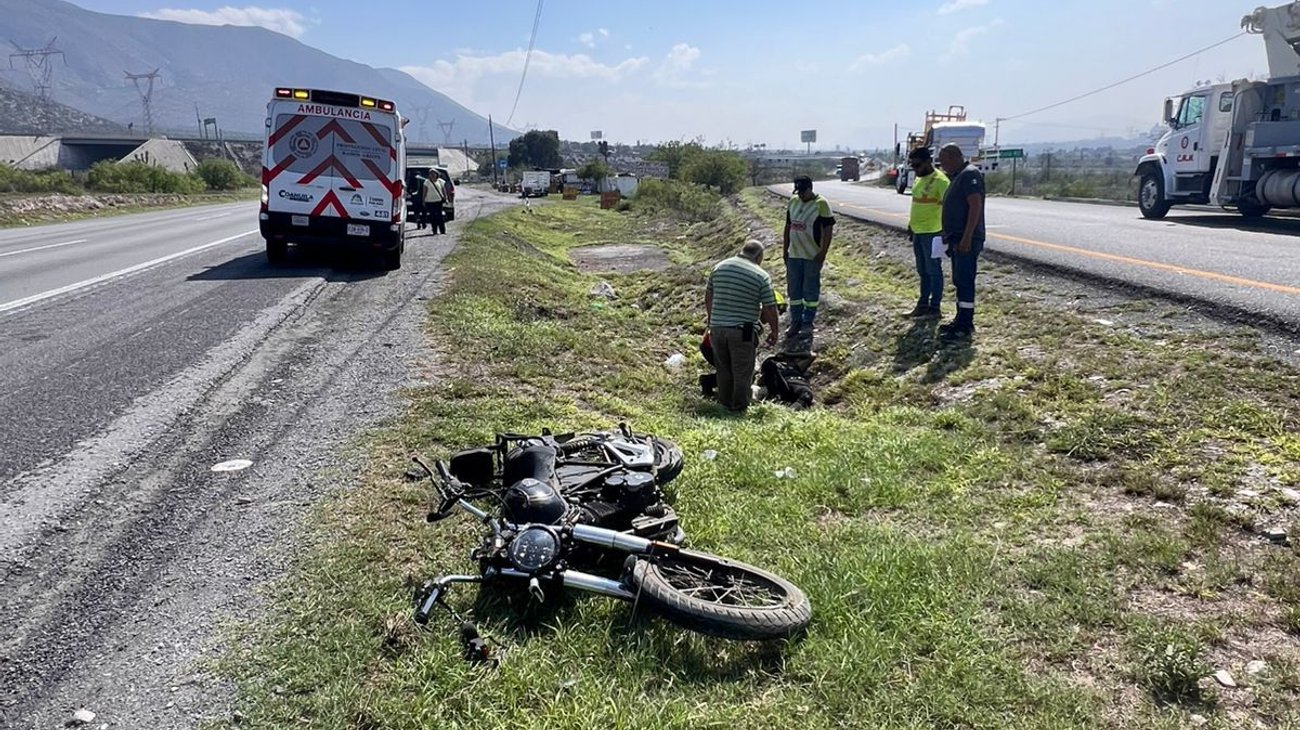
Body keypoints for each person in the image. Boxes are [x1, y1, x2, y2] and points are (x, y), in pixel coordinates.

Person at [705, 240, 780, 413]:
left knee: (723, 369)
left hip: (717, 328)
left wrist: (712, 321)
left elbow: (708, 297)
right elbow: (769, 307)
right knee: (743, 372)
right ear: (759, 256)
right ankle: (739, 408)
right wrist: (775, 331)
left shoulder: (719, 267)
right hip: (744, 329)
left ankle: (724, 405)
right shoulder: (761, 275)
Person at [938, 143, 985, 339]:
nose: (942, 165)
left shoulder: (969, 174)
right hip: (956, 239)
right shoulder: (958, 176)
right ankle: (959, 319)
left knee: (965, 280)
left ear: (954, 157)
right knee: (959, 279)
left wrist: (967, 237)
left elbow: (975, 206)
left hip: (967, 239)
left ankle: (965, 325)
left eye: (943, 161)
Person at [783, 176, 835, 345]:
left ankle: (807, 323)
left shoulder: (821, 204)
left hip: (812, 255)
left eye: (803, 192)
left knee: (810, 290)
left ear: (810, 189)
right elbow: (788, 226)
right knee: (794, 291)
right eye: (798, 192)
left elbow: (828, 230)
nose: (801, 195)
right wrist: (785, 250)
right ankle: (795, 321)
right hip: (794, 255)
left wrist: (823, 252)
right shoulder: (793, 202)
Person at [905, 147, 949, 319]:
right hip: (918, 231)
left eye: (917, 165)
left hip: (933, 232)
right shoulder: (919, 179)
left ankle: (935, 308)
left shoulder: (941, 181)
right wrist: (911, 225)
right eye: (912, 166)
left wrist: (946, 231)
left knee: (933, 270)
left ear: (928, 162)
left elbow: (950, 208)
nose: (915, 169)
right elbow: (917, 204)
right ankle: (922, 304)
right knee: (922, 270)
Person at [423, 170, 447, 235]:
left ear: (436, 174)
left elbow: (444, 191)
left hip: (439, 201)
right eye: (431, 174)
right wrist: (423, 200)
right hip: (430, 201)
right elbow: (424, 192)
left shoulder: (440, 181)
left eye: (434, 174)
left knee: (440, 216)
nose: (432, 175)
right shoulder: (426, 182)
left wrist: (446, 198)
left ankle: (442, 231)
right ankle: (434, 230)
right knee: (432, 216)